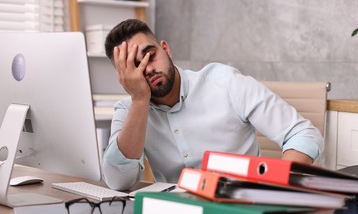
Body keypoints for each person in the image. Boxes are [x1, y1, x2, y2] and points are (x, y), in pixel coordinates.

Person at [102, 19, 324, 190]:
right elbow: (118, 181)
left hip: (239, 205)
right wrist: (140, 100)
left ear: (166, 49)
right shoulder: (128, 110)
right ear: (124, 77)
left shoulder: (225, 83)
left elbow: (303, 134)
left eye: (150, 56)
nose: (148, 69)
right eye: (135, 67)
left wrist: (272, 186)